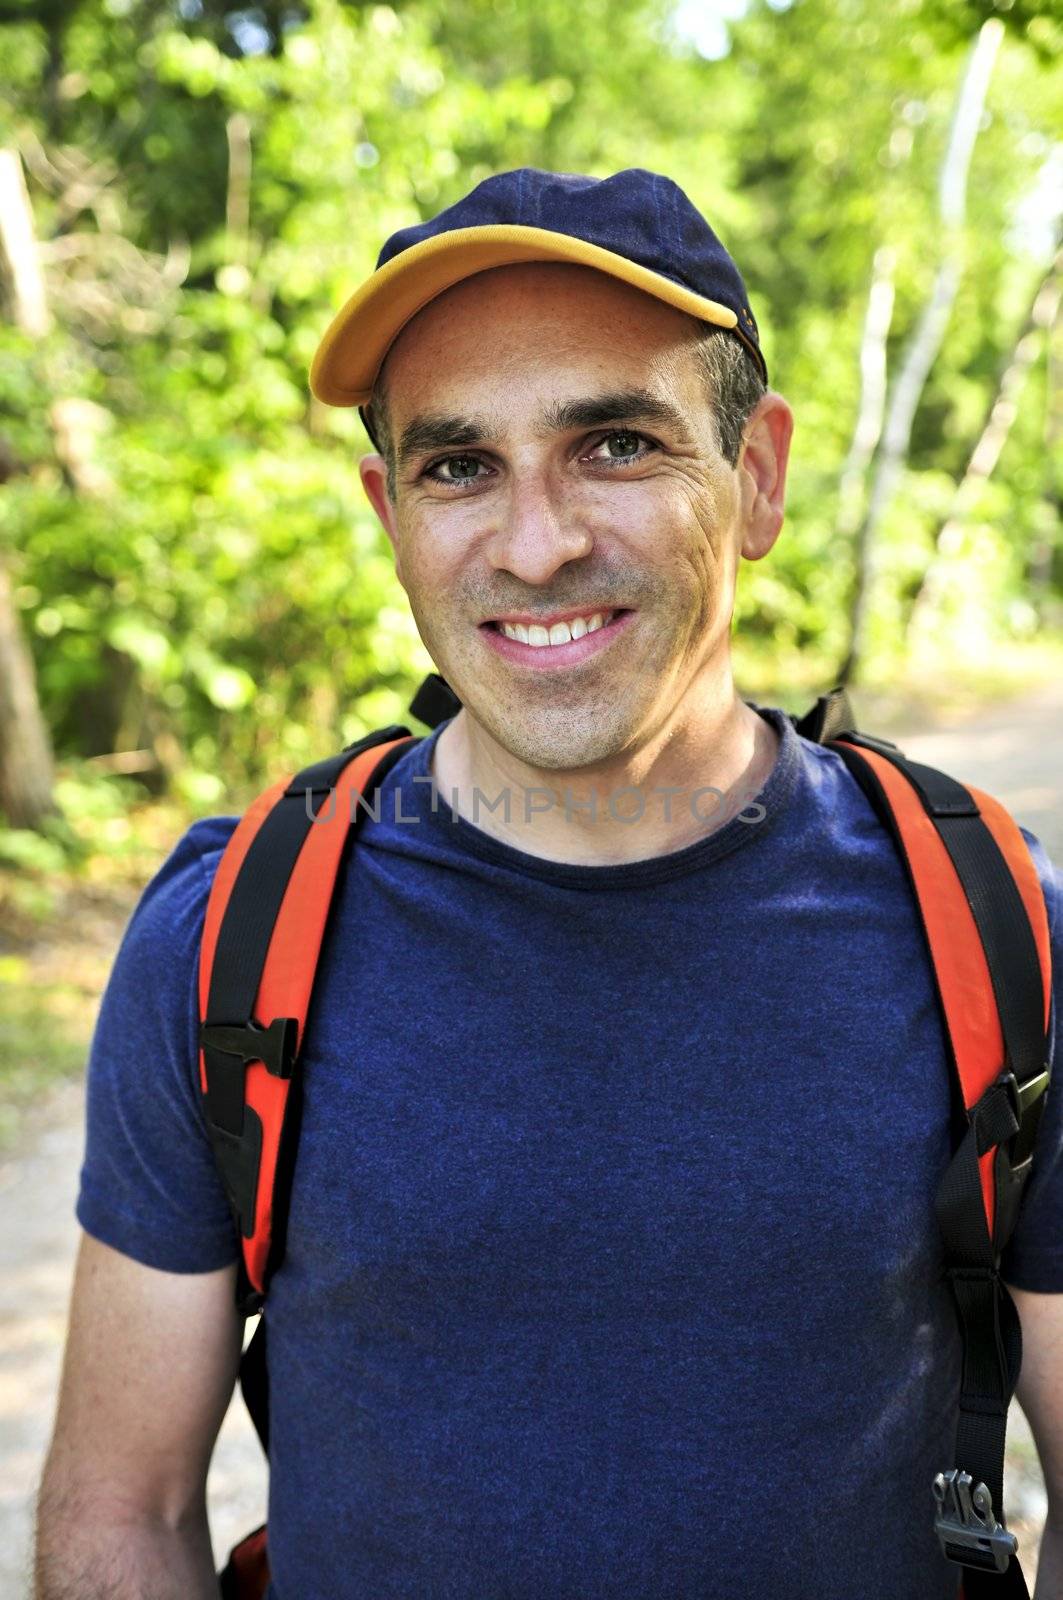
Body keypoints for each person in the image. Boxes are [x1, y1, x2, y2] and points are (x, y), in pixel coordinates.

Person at [34, 168, 1063, 1600]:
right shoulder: (227, 942)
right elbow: (121, 1517)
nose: (536, 543)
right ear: (390, 511)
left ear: (755, 476)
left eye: (618, 445)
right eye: (460, 467)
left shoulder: (1002, 942)